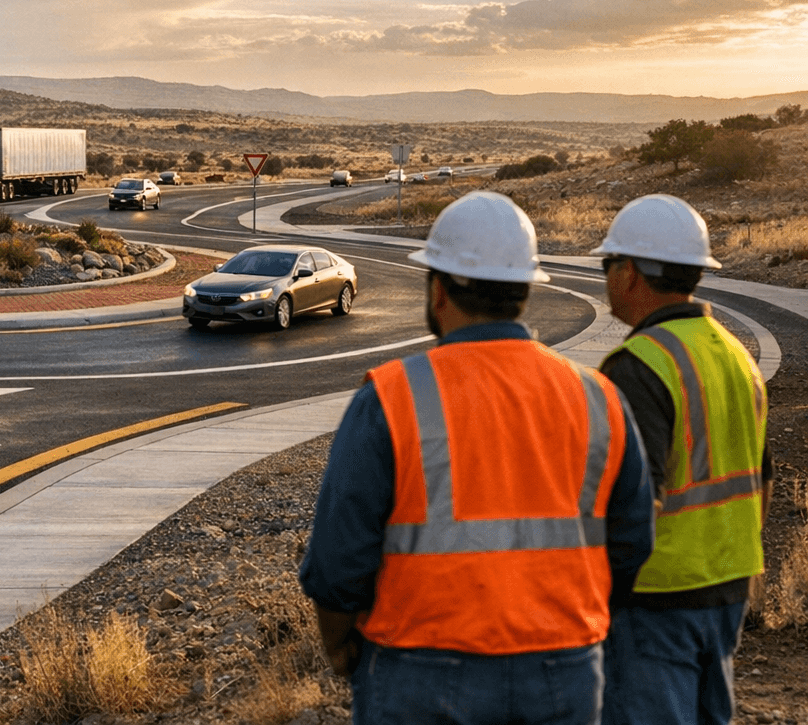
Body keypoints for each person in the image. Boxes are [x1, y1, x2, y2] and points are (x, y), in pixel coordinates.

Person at [299, 191, 653, 725]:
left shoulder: (393, 397)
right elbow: (633, 540)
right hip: (564, 668)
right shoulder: (598, 397)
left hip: (420, 667)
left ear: (439, 289)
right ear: (525, 291)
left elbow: (339, 554)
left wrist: (339, 644)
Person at [593, 194, 772, 725]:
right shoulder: (735, 354)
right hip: (728, 584)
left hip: (657, 596)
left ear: (629, 273)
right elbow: (761, 477)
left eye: (607, 265)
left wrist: (600, 593)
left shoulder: (638, 365)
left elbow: (635, 503)